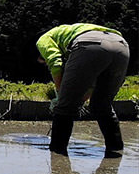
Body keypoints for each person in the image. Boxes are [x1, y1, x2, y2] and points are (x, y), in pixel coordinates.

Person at [36, 23, 129, 156]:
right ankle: (115, 152)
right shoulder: (68, 35)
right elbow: (91, 84)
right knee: (101, 105)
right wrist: (80, 100)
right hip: (121, 46)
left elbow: (55, 64)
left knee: (64, 108)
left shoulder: (43, 40)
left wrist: (61, 96)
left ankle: (57, 156)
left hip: (89, 44)